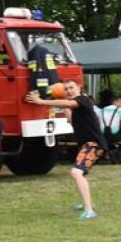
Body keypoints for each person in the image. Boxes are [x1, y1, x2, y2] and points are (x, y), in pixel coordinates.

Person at [25, 80, 108, 219]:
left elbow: (69, 103)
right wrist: (58, 98)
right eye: (66, 89)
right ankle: (87, 204)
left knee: (76, 173)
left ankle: (89, 211)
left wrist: (41, 101)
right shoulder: (76, 109)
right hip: (86, 145)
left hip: (93, 144)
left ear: (79, 88)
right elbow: (70, 118)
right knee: (80, 174)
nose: (69, 91)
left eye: (71, 88)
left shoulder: (83, 100)